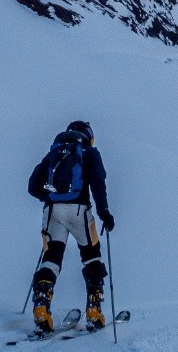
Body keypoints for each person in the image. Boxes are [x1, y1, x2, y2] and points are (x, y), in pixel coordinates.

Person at [27, 120, 115, 332]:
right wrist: (104, 211)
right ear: (88, 136)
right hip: (79, 212)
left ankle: (41, 308)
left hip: (52, 212)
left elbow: (33, 186)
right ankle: (94, 312)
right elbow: (98, 182)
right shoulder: (90, 152)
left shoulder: (54, 153)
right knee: (92, 256)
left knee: (51, 258)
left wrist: (50, 199)